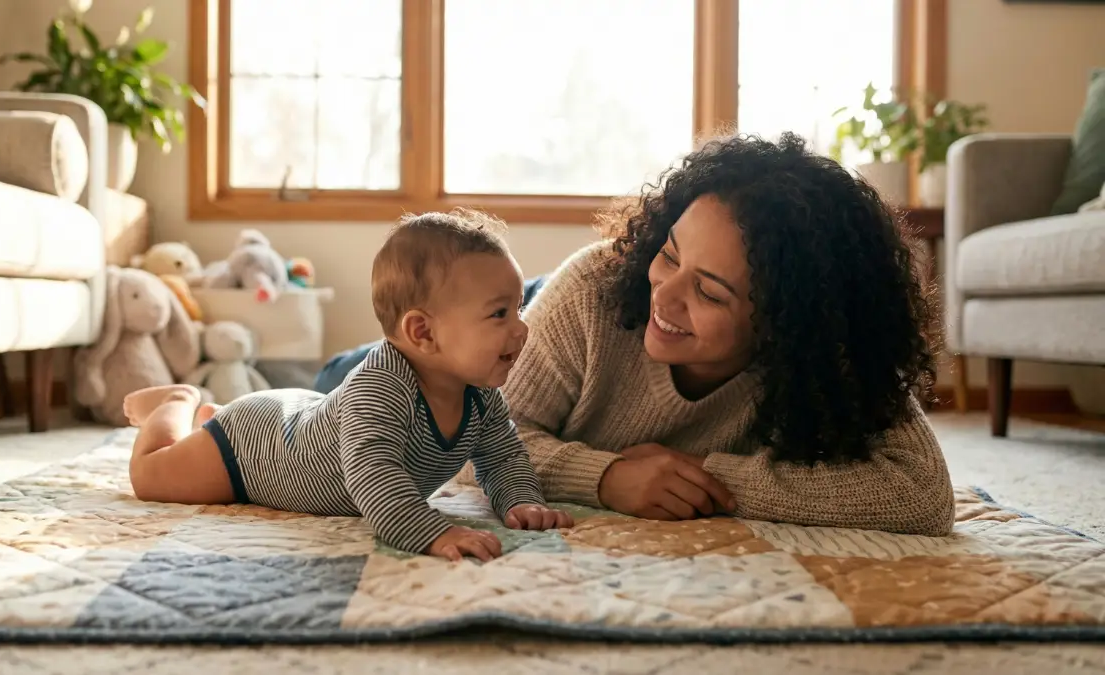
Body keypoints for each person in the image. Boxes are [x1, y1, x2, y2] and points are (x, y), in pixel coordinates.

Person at [319, 132, 955, 537]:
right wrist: (606, 477)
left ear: (791, 325)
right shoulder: (597, 289)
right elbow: (474, 447)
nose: (667, 297)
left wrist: (706, 477)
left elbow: (921, 496)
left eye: (710, 291)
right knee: (322, 404)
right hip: (441, 359)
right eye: (670, 254)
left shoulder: (828, 354)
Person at [122, 210, 573, 562]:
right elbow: (374, 475)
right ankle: (176, 402)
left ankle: (210, 416)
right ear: (423, 333)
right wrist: (431, 530)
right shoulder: (382, 387)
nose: (520, 329)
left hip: (304, 417)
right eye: (500, 314)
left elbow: (503, 456)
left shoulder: (481, 396)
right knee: (152, 477)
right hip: (253, 450)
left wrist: (521, 502)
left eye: (518, 309)